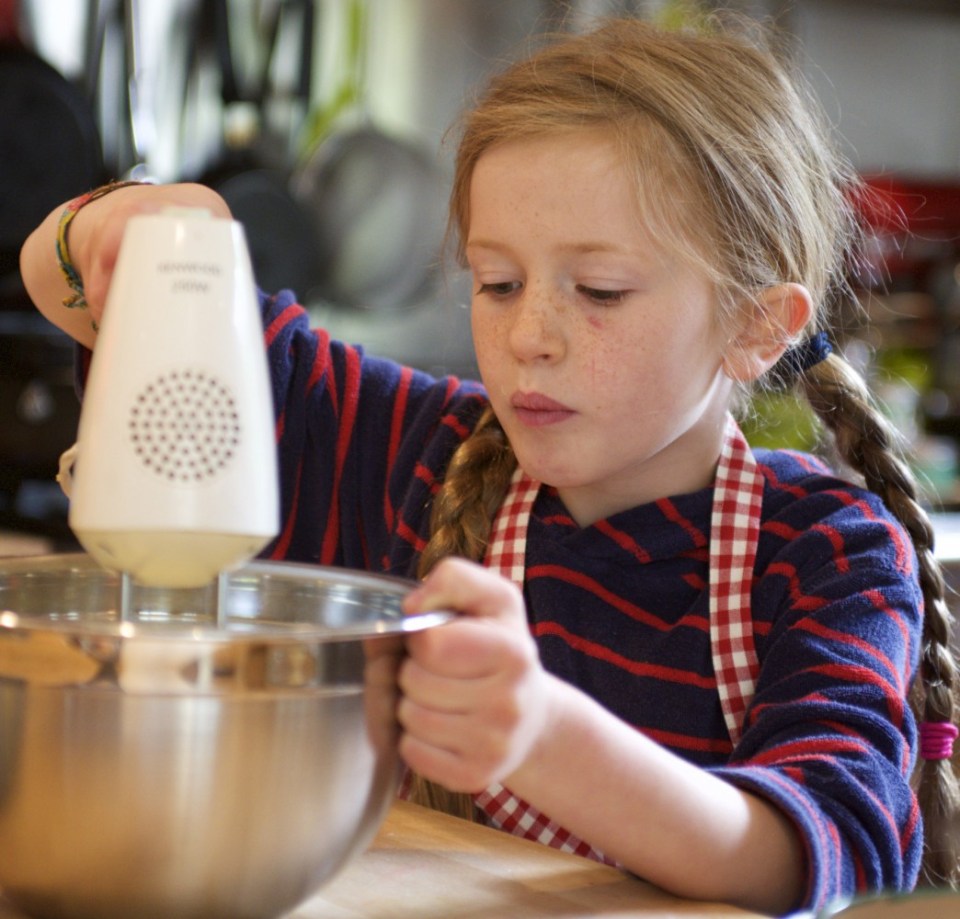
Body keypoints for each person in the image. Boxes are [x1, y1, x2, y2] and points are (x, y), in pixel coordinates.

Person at [19, 15, 960, 917]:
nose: (529, 337)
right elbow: (79, 290)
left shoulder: (828, 556)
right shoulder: (408, 450)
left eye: (599, 291)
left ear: (758, 325)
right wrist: (123, 231)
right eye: (496, 282)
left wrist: (542, 734)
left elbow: (818, 853)